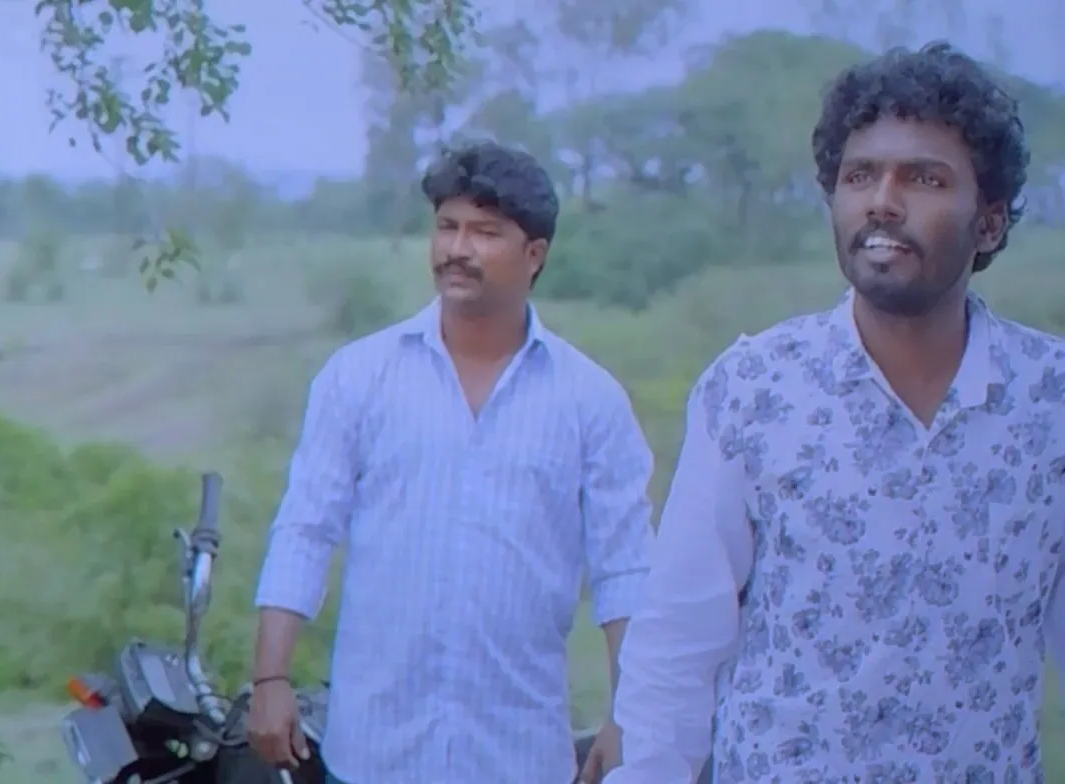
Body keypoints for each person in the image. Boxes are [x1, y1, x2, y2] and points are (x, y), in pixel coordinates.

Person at [606, 42, 1056, 783]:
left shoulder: (1048, 400)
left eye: (924, 178)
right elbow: (678, 646)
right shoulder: (755, 389)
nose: (883, 201)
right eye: (859, 176)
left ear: (989, 224)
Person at [244, 141, 656, 784]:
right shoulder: (359, 376)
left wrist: (630, 716)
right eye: (447, 226)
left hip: (518, 757)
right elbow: (305, 529)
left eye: (485, 232)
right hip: (374, 752)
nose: (457, 249)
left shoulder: (589, 400)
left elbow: (626, 569)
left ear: (535, 255)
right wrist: (270, 678)